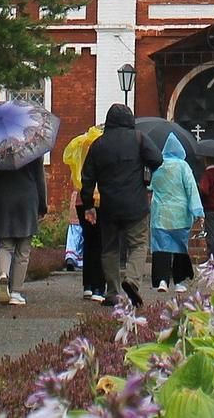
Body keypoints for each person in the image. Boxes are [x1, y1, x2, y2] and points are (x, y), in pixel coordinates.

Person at [78, 104, 160, 308]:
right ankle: (131, 280)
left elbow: (87, 177)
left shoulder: (98, 144)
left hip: (109, 207)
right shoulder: (139, 138)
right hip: (136, 205)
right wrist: (145, 168)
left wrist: (88, 205)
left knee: (110, 249)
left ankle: (113, 292)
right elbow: (157, 158)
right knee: (139, 244)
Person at [0, 156, 45, 307]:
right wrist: (42, 205)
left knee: (5, 245)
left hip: (4, 198)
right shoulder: (32, 149)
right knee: (23, 251)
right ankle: (16, 293)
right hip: (27, 199)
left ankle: (3, 274)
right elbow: (40, 177)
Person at [148, 134, 203, 291]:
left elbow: (151, 186)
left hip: (160, 214)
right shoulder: (183, 166)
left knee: (160, 247)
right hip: (180, 215)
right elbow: (191, 188)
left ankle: (161, 281)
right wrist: (198, 210)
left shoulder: (159, 165)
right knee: (180, 247)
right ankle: (179, 282)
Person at [63, 123, 105, 302]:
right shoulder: (102, 145)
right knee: (101, 243)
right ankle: (98, 287)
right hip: (100, 200)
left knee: (88, 242)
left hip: (82, 199)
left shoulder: (80, 144)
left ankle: (87, 285)